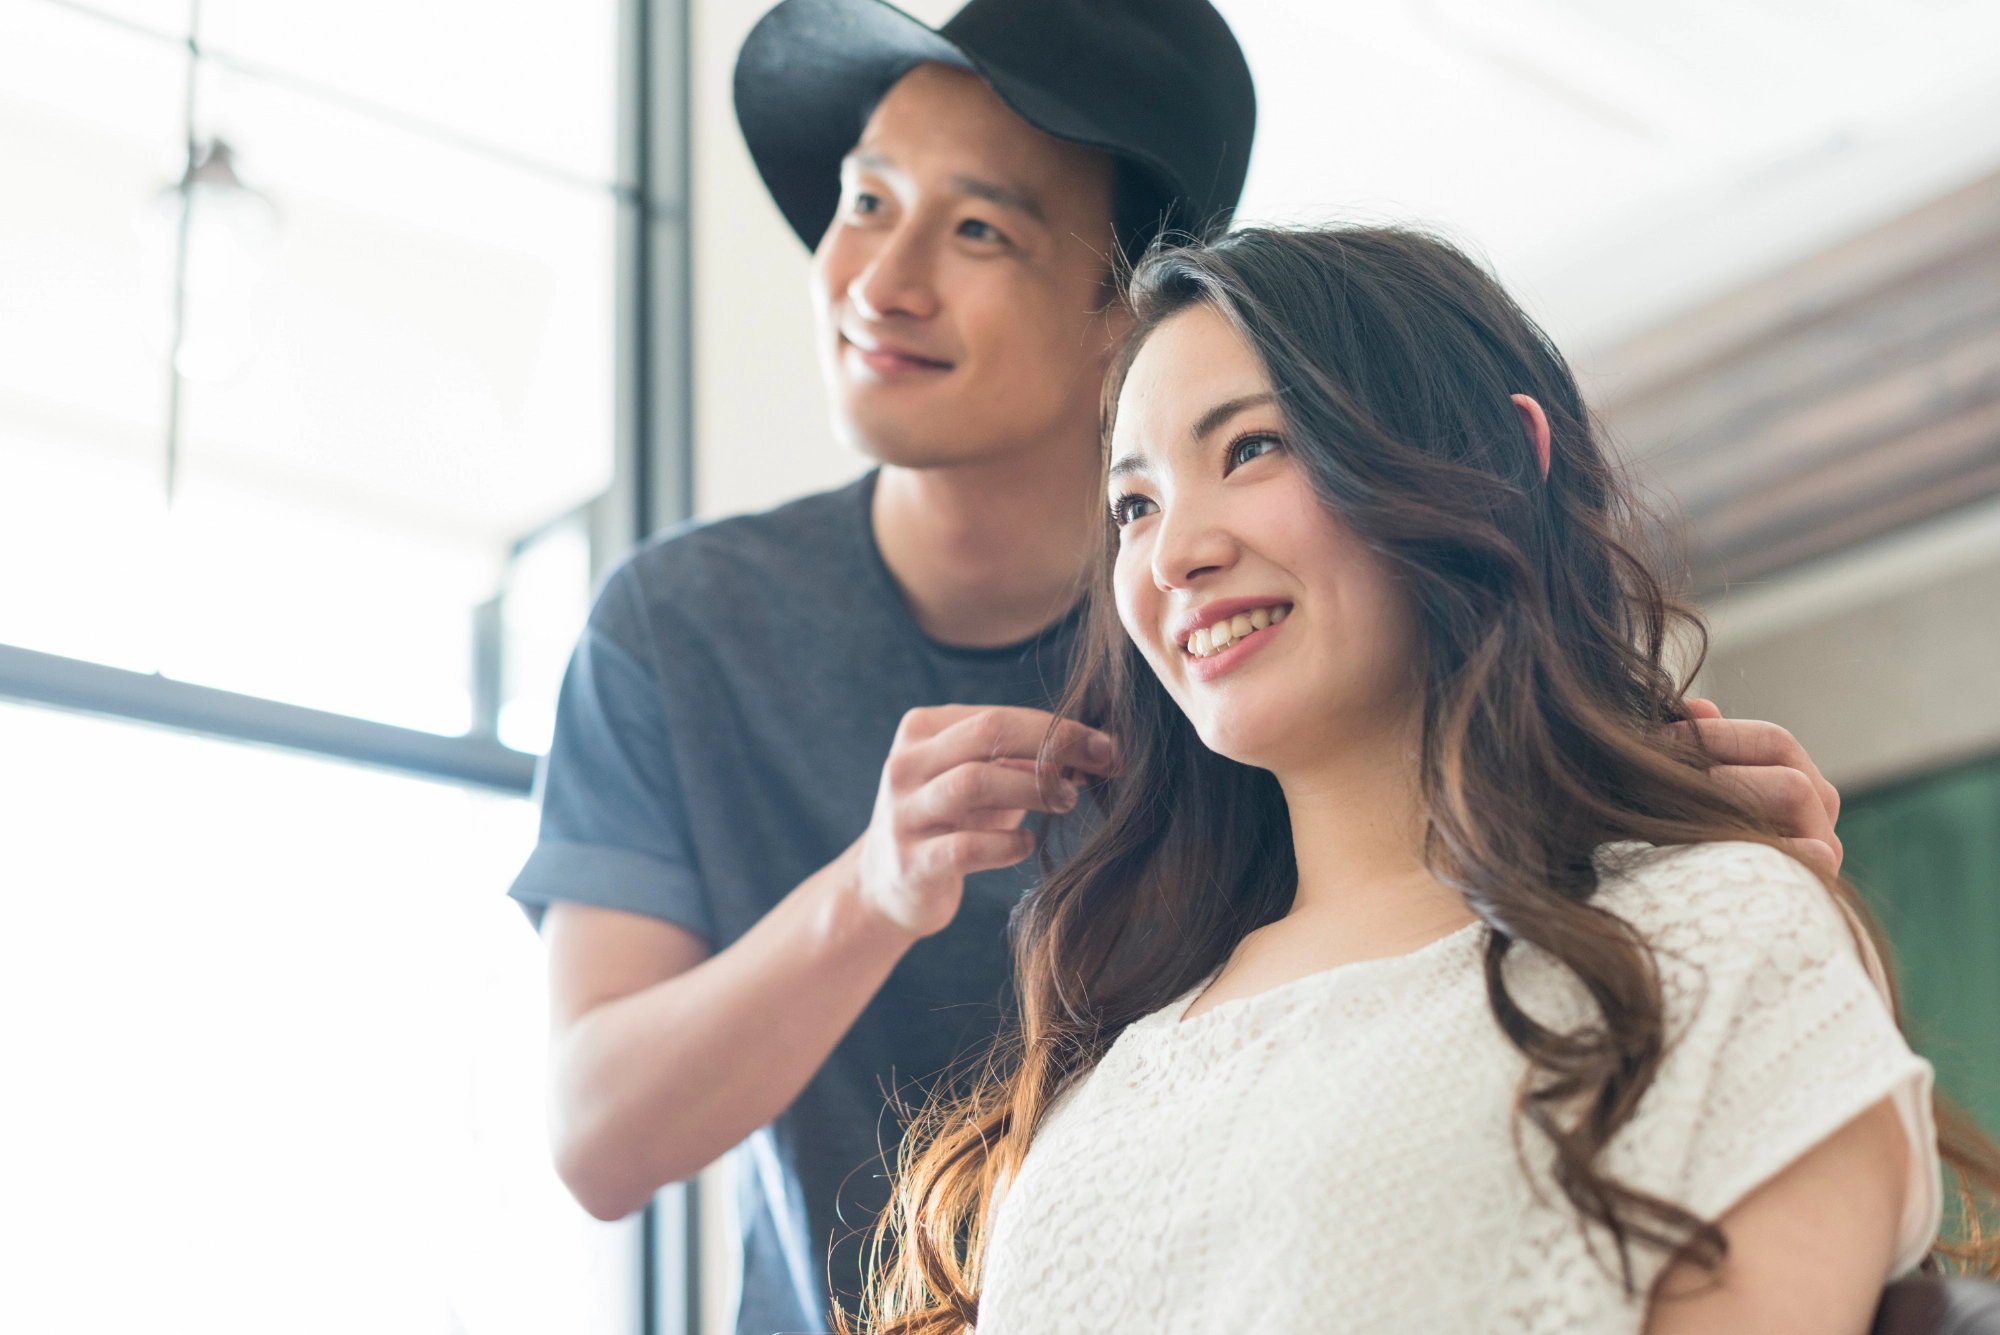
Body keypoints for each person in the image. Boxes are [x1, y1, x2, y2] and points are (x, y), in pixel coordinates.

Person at [510, 3, 1851, 1331]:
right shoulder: (676, 626)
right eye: (866, 199)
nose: (880, 279)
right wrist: (874, 887)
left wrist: (1687, 880)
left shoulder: (1287, 660)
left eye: (979, 228)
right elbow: (598, 1138)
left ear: (1122, 313)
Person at [861, 226, 2000, 1335]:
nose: (1171, 554)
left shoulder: (1714, 942)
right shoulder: (1116, 1056)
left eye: (1251, 448)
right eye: (1132, 505)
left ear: (1498, 459)